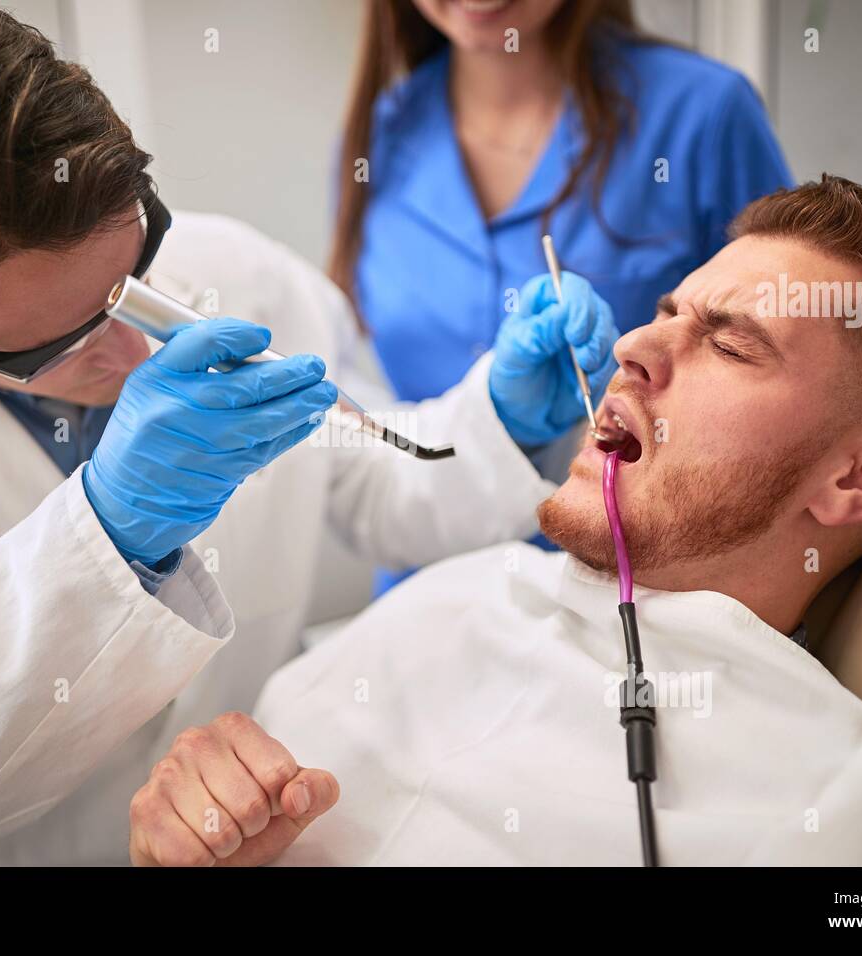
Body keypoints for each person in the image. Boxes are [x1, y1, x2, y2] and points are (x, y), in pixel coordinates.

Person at [0, 2, 612, 866]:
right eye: (62, 341)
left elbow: (380, 488)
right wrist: (109, 537)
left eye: (133, 270)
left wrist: (498, 419)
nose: (138, 345)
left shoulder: (236, 269)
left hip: (269, 837)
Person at [126, 176, 862, 866]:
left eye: (732, 344)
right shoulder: (451, 599)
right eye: (668, 311)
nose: (633, 346)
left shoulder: (824, 812)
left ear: (860, 475)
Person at [328, 0, 793, 593]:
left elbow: (790, 366)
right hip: (429, 586)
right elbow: (372, 427)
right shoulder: (379, 138)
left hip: (635, 590)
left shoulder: (703, 115)